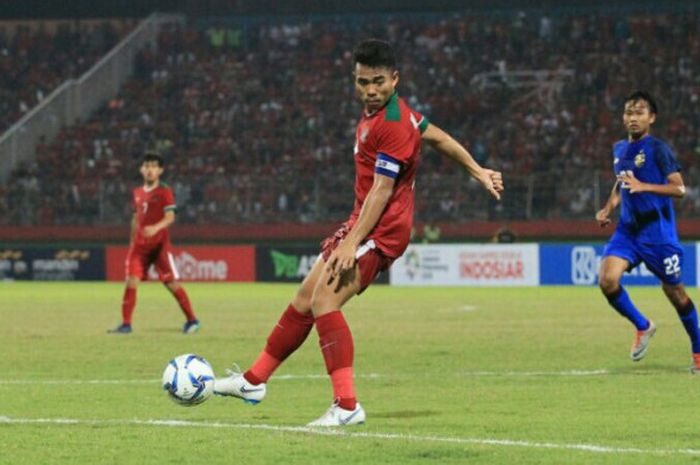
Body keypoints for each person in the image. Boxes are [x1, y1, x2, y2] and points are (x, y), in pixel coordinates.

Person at [214, 39, 504, 425]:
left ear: (395, 79)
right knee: (304, 298)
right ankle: (253, 381)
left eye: (378, 81)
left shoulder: (394, 124)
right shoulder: (400, 116)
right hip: (361, 224)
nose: (370, 90)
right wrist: (477, 170)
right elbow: (438, 137)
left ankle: (347, 406)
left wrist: (352, 243)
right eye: (362, 82)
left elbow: (382, 191)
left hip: (381, 232)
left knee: (325, 303)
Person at [596, 91, 699, 373]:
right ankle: (643, 326)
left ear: (651, 118)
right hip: (628, 231)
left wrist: (646, 187)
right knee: (607, 280)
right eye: (629, 112)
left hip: (658, 234)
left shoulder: (658, 149)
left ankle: (699, 351)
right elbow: (621, 185)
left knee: (676, 294)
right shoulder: (619, 149)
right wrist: (608, 208)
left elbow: (679, 188)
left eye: (640, 112)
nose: (633, 117)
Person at [108, 152, 200, 334]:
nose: (150, 170)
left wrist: (155, 228)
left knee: (170, 283)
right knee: (131, 281)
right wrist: (132, 240)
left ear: (160, 170)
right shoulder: (137, 193)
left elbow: (170, 216)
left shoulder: (164, 191)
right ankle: (126, 324)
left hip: (159, 247)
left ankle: (192, 320)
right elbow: (135, 218)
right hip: (139, 247)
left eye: (153, 166)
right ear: (141, 169)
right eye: (147, 166)